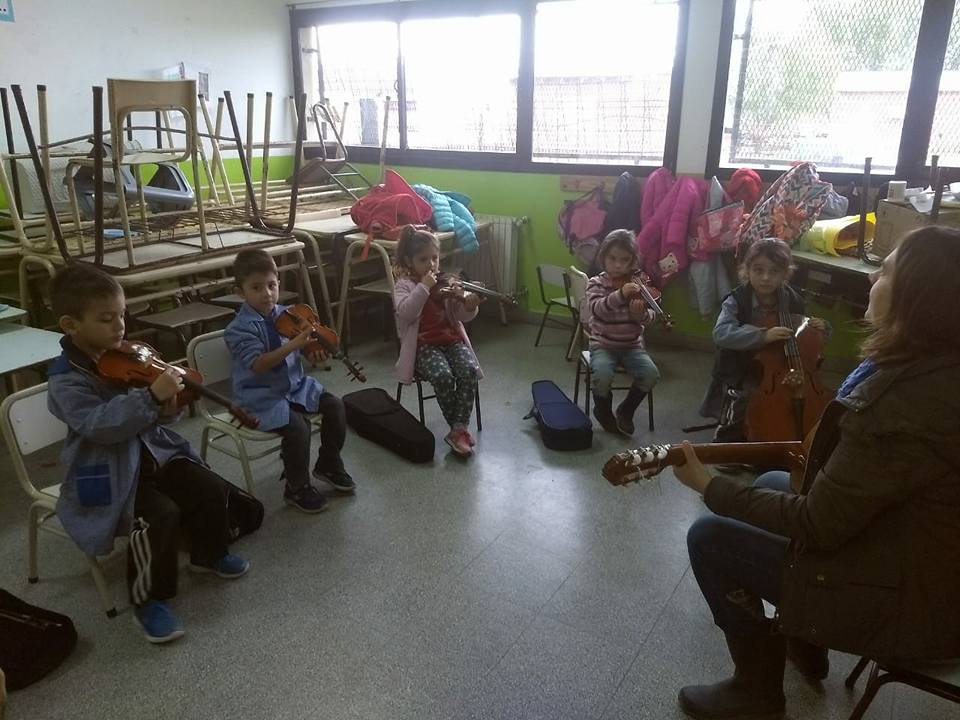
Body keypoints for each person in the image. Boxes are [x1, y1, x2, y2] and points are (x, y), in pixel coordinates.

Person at [671, 226, 960, 719]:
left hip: (911, 602)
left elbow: (816, 523)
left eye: (886, 270)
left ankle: (756, 691)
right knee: (769, 482)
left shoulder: (905, 407)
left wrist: (709, 485)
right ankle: (805, 637)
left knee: (708, 537)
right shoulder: (934, 368)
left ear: (919, 297)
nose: (874, 277)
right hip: (919, 558)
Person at [47, 264, 249, 645]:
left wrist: (167, 404)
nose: (119, 326)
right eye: (106, 319)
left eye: (121, 315)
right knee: (156, 515)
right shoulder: (65, 380)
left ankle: (208, 553)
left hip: (149, 453)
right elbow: (99, 425)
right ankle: (147, 600)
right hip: (105, 470)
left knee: (208, 484)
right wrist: (151, 396)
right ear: (70, 325)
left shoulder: (124, 355)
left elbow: (152, 411)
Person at [224, 249, 355, 514]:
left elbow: (304, 350)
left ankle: (329, 463)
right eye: (256, 287)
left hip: (295, 387)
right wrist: (294, 345)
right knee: (299, 428)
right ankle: (296, 487)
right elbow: (259, 364)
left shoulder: (290, 315)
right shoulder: (238, 329)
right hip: (260, 396)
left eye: (271, 285)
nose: (267, 294)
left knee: (336, 407)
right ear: (240, 292)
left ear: (279, 284)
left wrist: (312, 352)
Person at [700, 237, 827, 443]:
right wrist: (762, 335)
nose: (766, 278)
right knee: (745, 397)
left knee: (789, 396)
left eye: (774, 271)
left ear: (785, 274)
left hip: (779, 365)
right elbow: (721, 333)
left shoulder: (792, 300)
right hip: (740, 367)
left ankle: (776, 436)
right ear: (747, 270)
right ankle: (726, 440)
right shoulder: (736, 300)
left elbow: (803, 334)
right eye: (758, 270)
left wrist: (821, 328)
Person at [392, 225, 482, 457]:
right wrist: (424, 287)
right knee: (443, 375)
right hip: (423, 347)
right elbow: (406, 313)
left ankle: (456, 429)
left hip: (451, 341)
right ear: (408, 261)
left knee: (469, 369)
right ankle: (459, 428)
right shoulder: (404, 286)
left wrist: (469, 306)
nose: (432, 265)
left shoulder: (447, 282)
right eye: (424, 259)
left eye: (435, 258)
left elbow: (460, 317)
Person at [585, 229, 661, 435]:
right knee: (601, 375)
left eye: (625, 260)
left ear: (633, 261)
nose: (618, 265)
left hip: (632, 345)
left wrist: (641, 316)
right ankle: (602, 410)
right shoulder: (596, 283)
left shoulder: (639, 285)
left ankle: (626, 411)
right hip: (603, 344)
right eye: (613, 258)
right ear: (603, 258)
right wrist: (619, 295)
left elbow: (651, 317)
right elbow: (597, 310)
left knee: (651, 374)